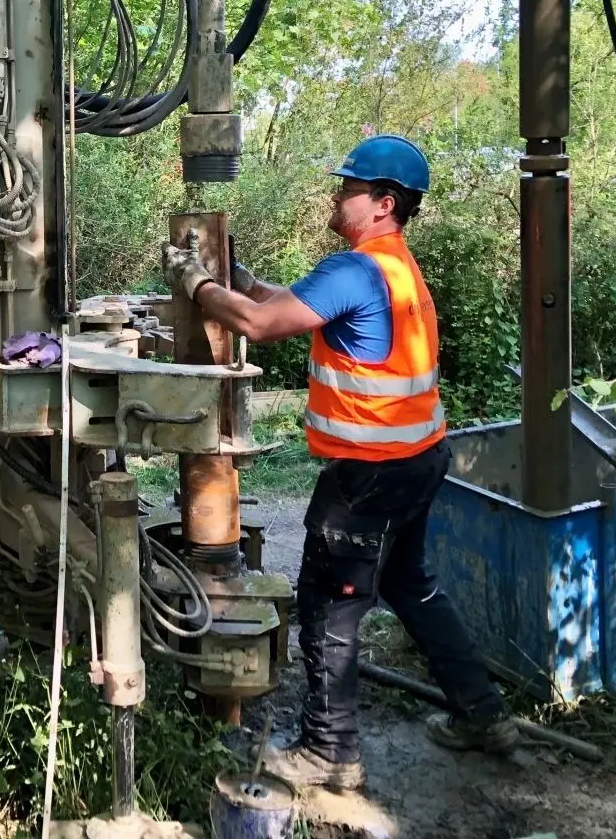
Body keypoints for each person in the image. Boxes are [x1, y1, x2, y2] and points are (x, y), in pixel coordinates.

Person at [162, 135, 516, 791]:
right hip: (417, 458)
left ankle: (330, 751)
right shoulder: (391, 266)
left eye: (348, 188)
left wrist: (197, 282)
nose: (335, 194)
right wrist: (236, 281)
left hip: (369, 473)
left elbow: (261, 326)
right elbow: (284, 306)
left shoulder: (355, 269)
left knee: (330, 605)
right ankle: (484, 714)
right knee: (411, 586)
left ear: (383, 203)